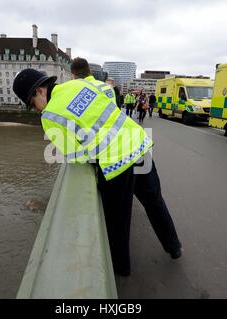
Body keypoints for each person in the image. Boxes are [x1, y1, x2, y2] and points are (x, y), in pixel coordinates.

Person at [13, 69, 182, 277]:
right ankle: (174, 247)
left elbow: (75, 155)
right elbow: (110, 105)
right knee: (155, 201)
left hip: (116, 164)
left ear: (39, 91)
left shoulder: (49, 116)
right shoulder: (80, 84)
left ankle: (121, 272)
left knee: (117, 224)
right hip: (138, 146)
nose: (36, 109)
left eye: (32, 103)